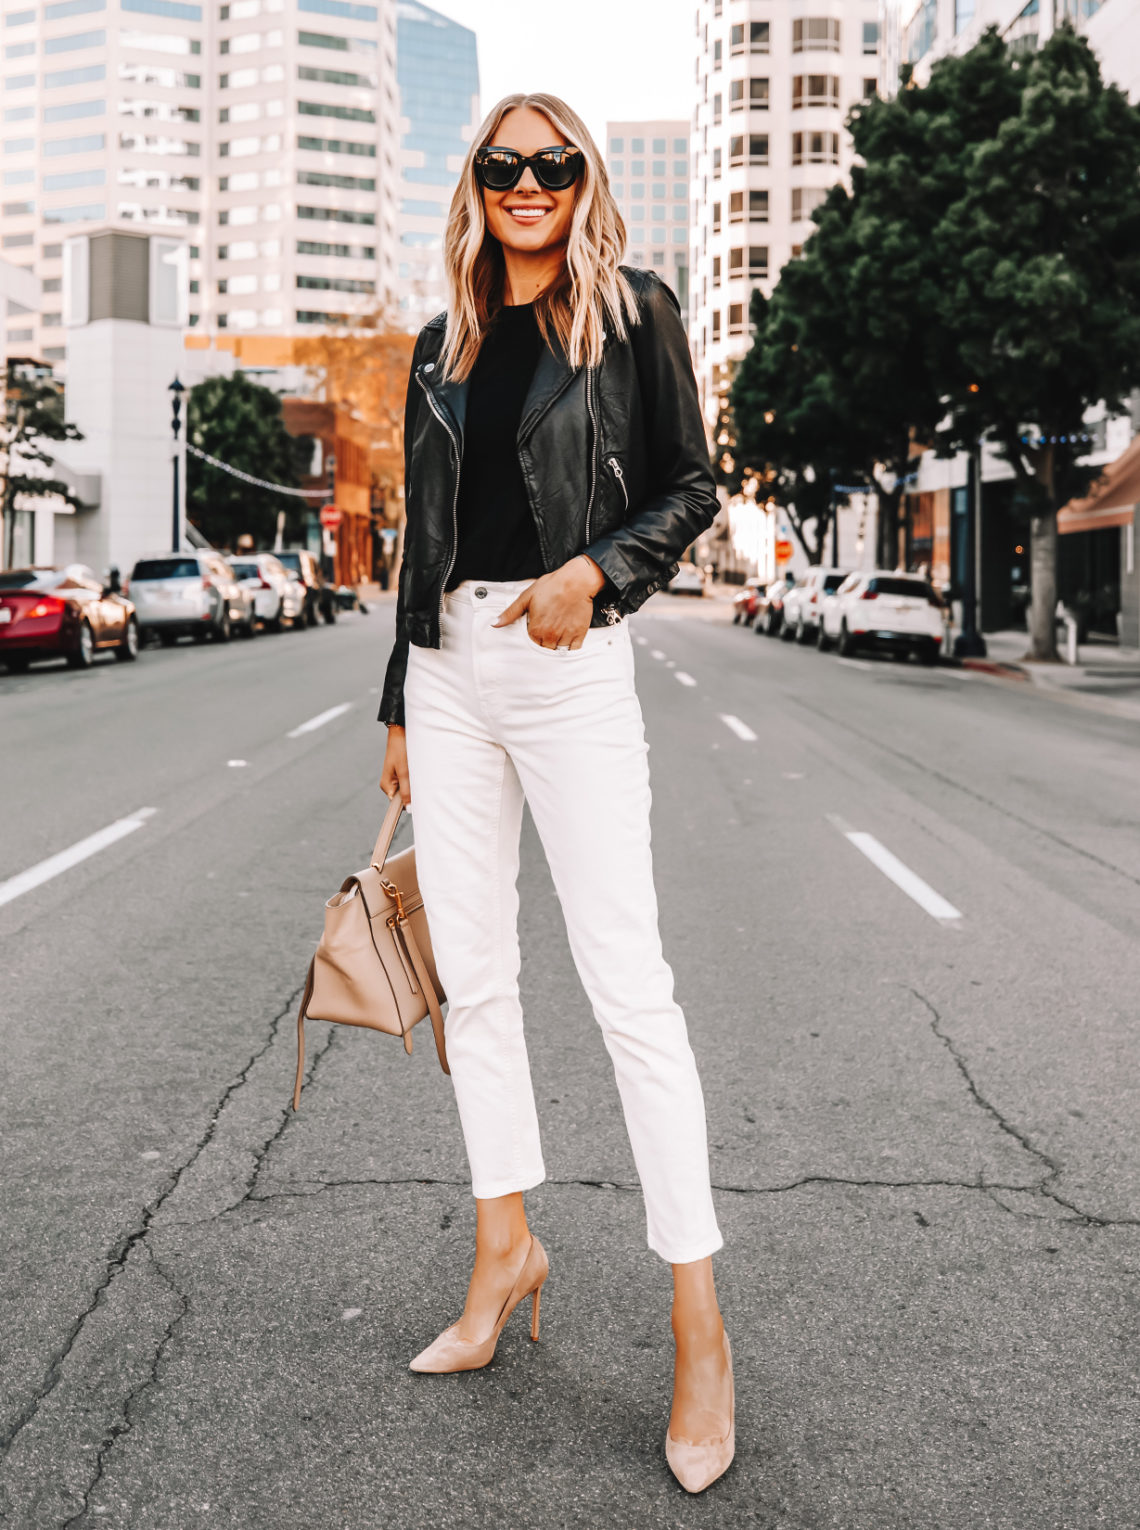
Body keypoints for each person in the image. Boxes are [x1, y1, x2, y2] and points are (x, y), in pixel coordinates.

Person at [379, 91, 734, 1495]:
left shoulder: (633, 314)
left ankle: (699, 1327)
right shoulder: (438, 343)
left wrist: (595, 575)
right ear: (477, 182)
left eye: (554, 163)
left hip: (570, 660)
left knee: (626, 985)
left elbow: (691, 486)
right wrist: (401, 702)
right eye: (505, 165)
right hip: (455, 668)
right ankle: (503, 1248)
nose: (530, 183)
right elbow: (426, 533)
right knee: (476, 982)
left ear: (584, 179)